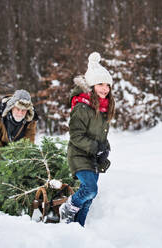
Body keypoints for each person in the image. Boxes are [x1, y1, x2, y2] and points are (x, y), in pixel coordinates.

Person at [59, 52, 115, 226]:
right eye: (100, 84)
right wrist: (94, 147)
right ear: (91, 85)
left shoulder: (104, 108)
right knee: (90, 189)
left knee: (89, 200)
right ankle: (68, 208)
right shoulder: (82, 107)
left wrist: (105, 149)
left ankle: (78, 229)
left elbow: (101, 135)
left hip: (94, 157)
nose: (104, 88)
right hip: (79, 154)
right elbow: (76, 135)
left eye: (107, 85)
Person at [0, 89, 38, 169]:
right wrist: (3, 160)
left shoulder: (31, 118)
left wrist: (23, 158)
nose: (20, 113)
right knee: (0, 174)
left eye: (23, 110)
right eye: (18, 109)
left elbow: (29, 140)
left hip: (17, 148)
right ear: (12, 107)